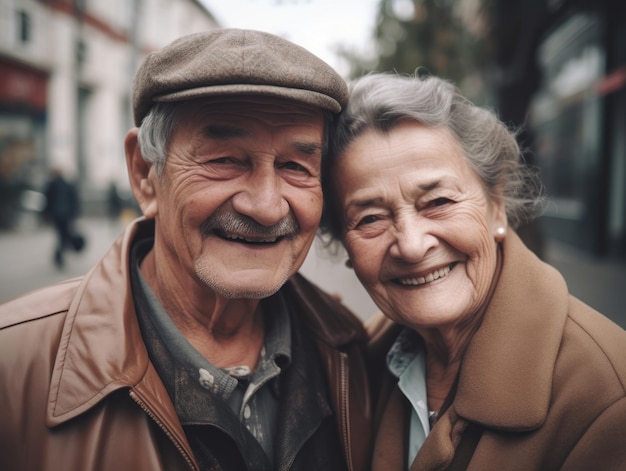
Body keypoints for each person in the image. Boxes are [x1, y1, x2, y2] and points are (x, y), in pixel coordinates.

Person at [0, 29, 371, 471]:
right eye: (225, 159)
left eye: (295, 166)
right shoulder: (15, 365)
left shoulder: (350, 350)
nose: (268, 207)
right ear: (144, 174)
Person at [320, 72, 626, 470]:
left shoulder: (606, 395)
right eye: (370, 218)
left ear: (496, 206)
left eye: (438, 201)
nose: (412, 246)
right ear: (345, 244)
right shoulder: (359, 360)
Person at [42, 166, 81, 267]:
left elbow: (46, 201)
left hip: (56, 215)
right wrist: (75, 213)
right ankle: (59, 255)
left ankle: (58, 256)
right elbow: (74, 200)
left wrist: (46, 214)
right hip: (66, 215)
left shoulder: (51, 185)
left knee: (61, 235)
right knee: (64, 235)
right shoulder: (67, 184)